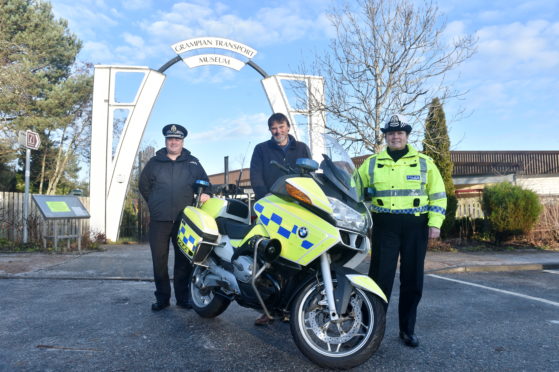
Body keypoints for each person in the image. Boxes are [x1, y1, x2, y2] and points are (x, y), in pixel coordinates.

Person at [356, 115, 447, 347]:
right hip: (384, 226)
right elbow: (353, 189)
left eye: (400, 133)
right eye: (391, 133)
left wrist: (435, 223)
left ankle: (407, 330)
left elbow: (437, 194)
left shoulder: (425, 162)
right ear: (386, 136)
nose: (395, 137)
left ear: (406, 136)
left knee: (412, 280)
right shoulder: (372, 163)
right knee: (378, 280)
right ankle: (371, 332)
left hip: (415, 227)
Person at [139, 123, 210, 312]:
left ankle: (182, 298)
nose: (174, 142)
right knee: (159, 261)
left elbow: (206, 185)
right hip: (159, 221)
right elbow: (143, 186)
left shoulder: (193, 163)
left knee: (183, 261)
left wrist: (205, 194)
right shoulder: (154, 163)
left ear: (182, 141)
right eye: (170, 139)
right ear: (166, 141)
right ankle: (162, 298)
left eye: (177, 139)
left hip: (184, 221)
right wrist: (154, 202)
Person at [249, 112, 311, 325]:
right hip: (271, 209)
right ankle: (267, 308)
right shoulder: (261, 149)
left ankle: (292, 308)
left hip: (297, 210)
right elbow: (255, 176)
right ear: (270, 130)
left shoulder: (302, 148)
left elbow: (309, 176)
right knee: (269, 257)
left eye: (281, 126)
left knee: (296, 257)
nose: (278, 131)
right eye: (274, 128)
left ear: (288, 127)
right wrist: (265, 199)